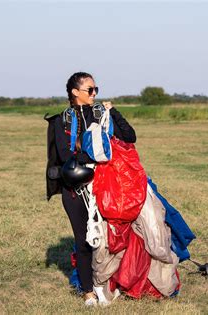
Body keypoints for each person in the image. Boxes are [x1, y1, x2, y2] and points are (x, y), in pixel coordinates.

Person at [54, 72, 136, 306]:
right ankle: (88, 292)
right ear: (75, 92)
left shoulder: (102, 113)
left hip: (106, 185)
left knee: (110, 238)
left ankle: (107, 284)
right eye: (90, 90)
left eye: (95, 89)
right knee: (83, 240)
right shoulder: (63, 120)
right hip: (76, 188)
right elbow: (64, 155)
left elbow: (130, 137)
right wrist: (96, 149)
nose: (94, 94)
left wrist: (114, 112)